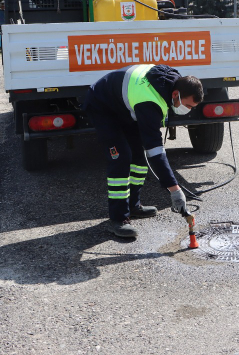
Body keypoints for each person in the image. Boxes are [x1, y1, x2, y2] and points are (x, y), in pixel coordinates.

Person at [83, 63, 204, 239]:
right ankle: (118, 220)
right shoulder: (150, 101)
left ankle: (133, 206)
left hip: (124, 107)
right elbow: (155, 151)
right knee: (121, 158)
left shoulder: (174, 80)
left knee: (139, 157)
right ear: (175, 95)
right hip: (102, 106)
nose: (188, 110)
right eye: (187, 105)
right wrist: (175, 190)